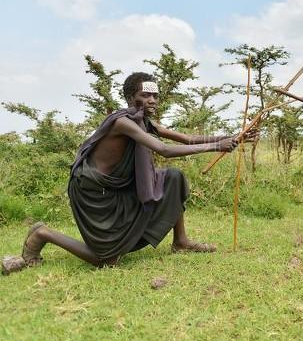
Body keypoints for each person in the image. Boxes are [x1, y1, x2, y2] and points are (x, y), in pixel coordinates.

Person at [21, 72, 253, 268]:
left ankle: (180, 241)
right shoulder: (122, 122)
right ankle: (43, 234)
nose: (152, 100)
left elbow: (186, 138)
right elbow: (164, 150)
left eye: (155, 95)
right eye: (145, 95)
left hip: (118, 187)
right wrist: (215, 146)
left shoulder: (144, 121)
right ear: (131, 97)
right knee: (106, 260)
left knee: (173, 178)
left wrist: (230, 138)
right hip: (94, 192)